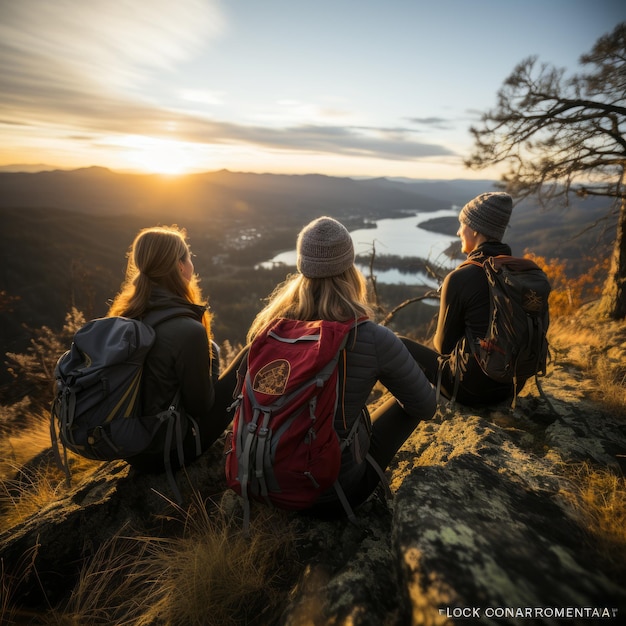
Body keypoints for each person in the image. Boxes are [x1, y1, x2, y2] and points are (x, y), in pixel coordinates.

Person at [244, 216, 437, 518]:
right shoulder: (370, 337)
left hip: (262, 479)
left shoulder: (269, 330)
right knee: (409, 402)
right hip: (330, 494)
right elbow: (425, 407)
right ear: (350, 269)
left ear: (302, 269)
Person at [107, 225, 240, 472]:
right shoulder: (188, 331)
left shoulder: (124, 316)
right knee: (248, 356)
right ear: (180, 266)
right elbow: (201, 406)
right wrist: (210, 363)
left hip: (131, 448)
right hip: (168, 451)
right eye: (189, 257)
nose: (191, 264)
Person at [403, 191, 525, 406]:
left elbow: (442, 347)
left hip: (471, 390)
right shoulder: (520, 273)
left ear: (476, 230)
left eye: (463, 225)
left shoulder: (461, 277)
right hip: (510, 388)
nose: (459, 232)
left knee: (394, 344)